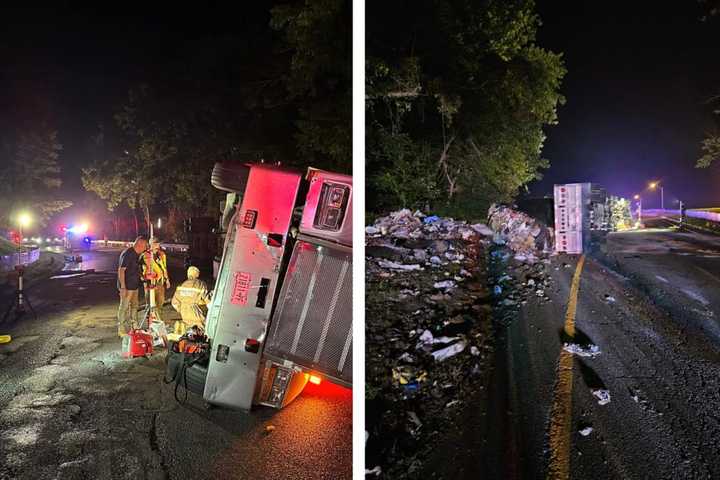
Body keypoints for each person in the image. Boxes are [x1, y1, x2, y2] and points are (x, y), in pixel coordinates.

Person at [117, 236, 147, 337]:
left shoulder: (137, 255)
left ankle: (134, 326)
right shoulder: (128, 254)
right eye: (145, 246)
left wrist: (142, 277)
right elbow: (121, 270)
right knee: (124, 307)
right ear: (139, 244)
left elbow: (136, 269)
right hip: (127, 286)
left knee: (134, 306)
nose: (145, 248)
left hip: (135, 286)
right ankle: (121, 329)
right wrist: (123, 287)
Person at [171, 266, 211, 335]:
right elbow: (208, 302)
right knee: (200, 333)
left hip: (184, 313)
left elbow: (174, 303)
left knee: (189, 333)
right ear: (197, 274)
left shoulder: (182, 286)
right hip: (196, 313)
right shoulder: (201, 284)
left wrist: (181, 309)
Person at [141, 237, 171, 318]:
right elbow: (150, 265)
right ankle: (150, 321)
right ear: (151, 245)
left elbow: (164, 267)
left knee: (160, 302)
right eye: (155, 244)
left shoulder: (161, 254)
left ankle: (159, 320)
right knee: (150, 304)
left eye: (158, 244)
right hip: (150, 283)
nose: (158, 245)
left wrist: (167, 279)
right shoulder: (146, 255)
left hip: (160, 282)